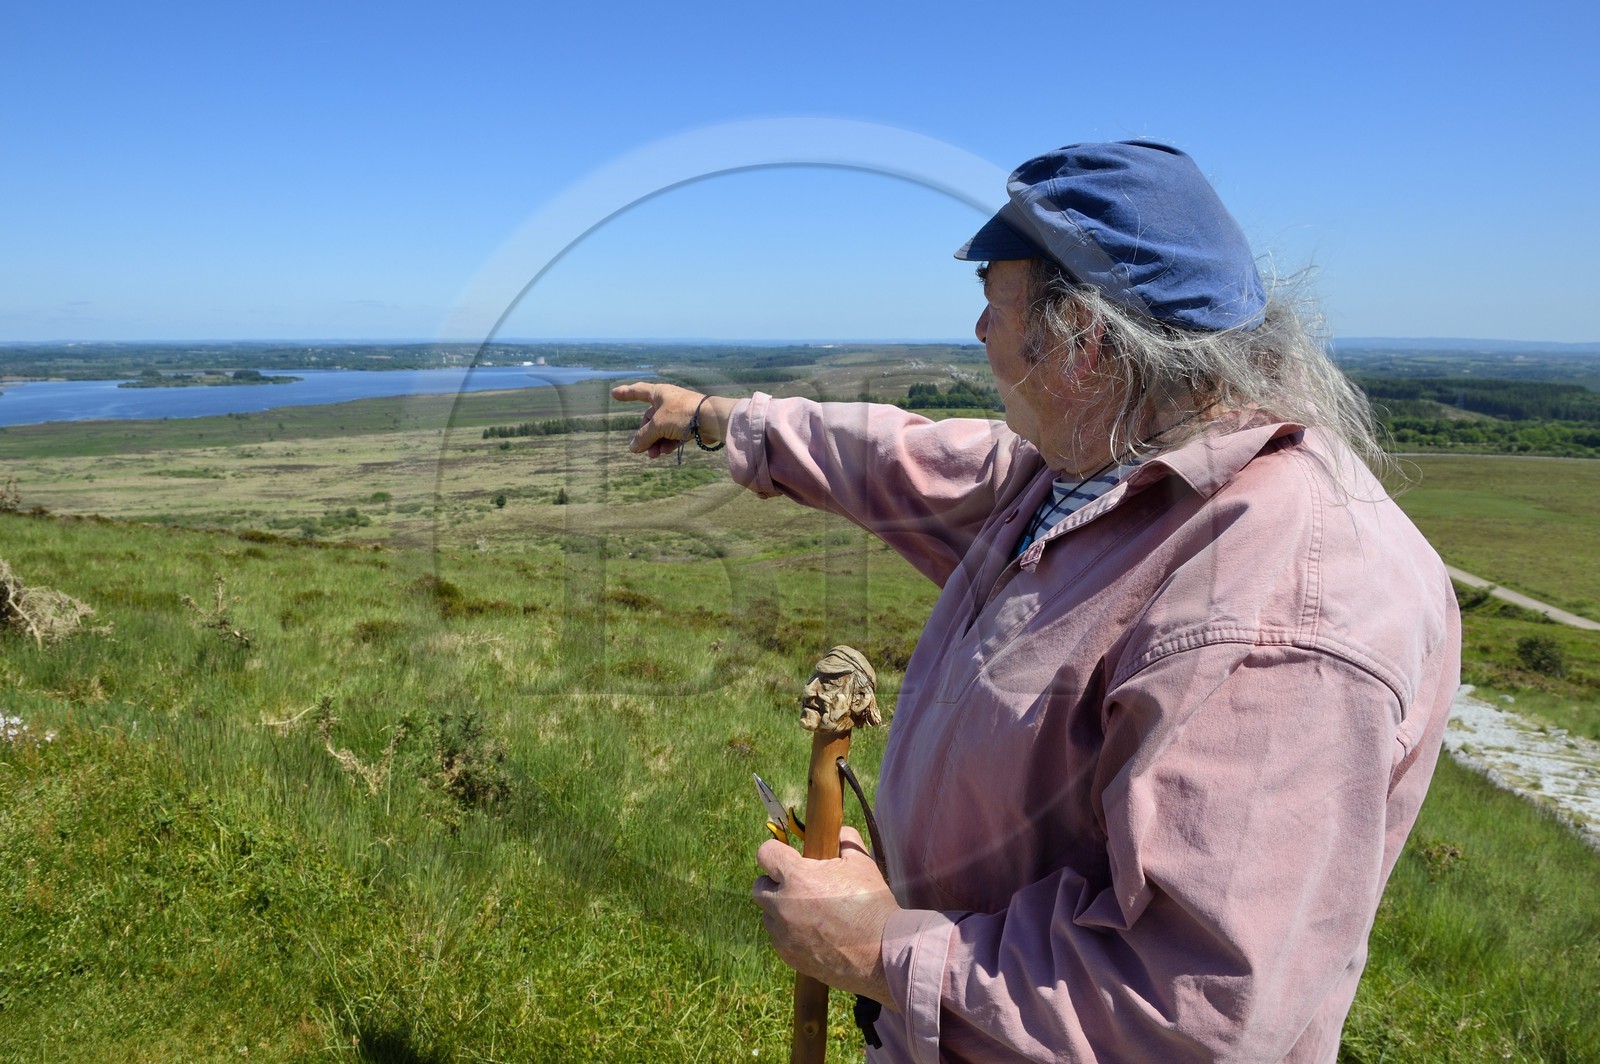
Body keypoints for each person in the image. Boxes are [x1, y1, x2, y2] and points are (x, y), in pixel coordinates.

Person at [611, 140, 1460, 1063]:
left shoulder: (1279, 611)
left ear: (1082, 337)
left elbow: (1191, 1016)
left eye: (995, 300)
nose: (978, 329)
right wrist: (717, 418)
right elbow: (894, 458)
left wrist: (879, 949)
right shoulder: (1095, 465)